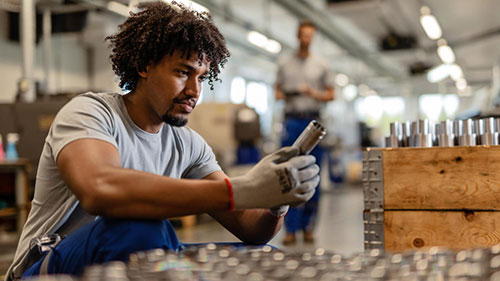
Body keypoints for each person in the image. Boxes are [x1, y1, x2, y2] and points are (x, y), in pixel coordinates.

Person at [6, 2, 320, 280]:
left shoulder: (187, 143)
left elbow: (251, 230)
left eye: (202, 77)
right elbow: (100, 190)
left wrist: (275, 200)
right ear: (144, 65)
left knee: (249, 257)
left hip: (115, 261)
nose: (194, 91)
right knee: (142, 228)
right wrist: (241, 189)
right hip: (47, 266)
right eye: (183, 72)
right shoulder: (91, 112)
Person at [275, 20, 335, 245]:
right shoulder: (284, 63)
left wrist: (311, 93)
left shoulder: (322, 64)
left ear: (314, 37)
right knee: (289, 175)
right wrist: (288, 93)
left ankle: (309, 228)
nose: (307, 39)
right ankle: (290, 230)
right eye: (304, 35)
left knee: (313, 175)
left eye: (311, 35)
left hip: (314, 122)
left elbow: (331, 94)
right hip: (291, 123)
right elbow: (277, 92)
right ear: (298, 36)